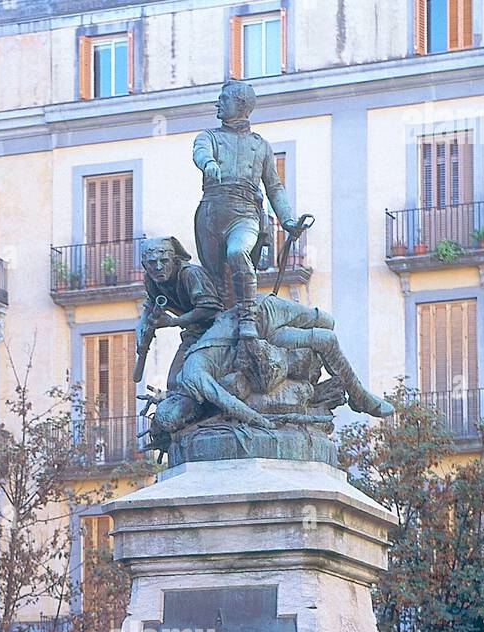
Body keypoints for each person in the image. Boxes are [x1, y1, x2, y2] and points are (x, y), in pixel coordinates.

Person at [151, 295, 393, 446]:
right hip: (262, 339)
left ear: (176, 405)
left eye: (182, 415)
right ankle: (359, 396)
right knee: (327, 339)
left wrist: (261, 422)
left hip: (261, 313)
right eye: (184, 420)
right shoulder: (190, 387)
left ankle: (357, 394)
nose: (188, 417)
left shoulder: (191, 377)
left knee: (327, 322)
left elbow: (230, 404)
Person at [192, 79, 309, 338]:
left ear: (241, 104)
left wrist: (287, 220)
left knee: (238, 252)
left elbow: (274, 187)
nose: (217, 104)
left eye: (224, 99)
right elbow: (200, 152)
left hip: (245, 213)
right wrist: (208, 164)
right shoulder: (208, 137)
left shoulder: (261, 146)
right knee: (215, 280)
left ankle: (247, 317)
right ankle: (215, 325)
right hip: (212, 211)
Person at [134, 237, 222, 387]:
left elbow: (210, 308)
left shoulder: (190, 274)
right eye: (152, 263)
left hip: (219, 329)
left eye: (164, 261)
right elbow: (150, 304)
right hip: (193, 333)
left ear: (174, 260)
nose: (158, 267)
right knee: (173, 383)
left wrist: (173, 322)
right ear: (145, 265)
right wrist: (141, 326)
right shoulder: (151, 280)